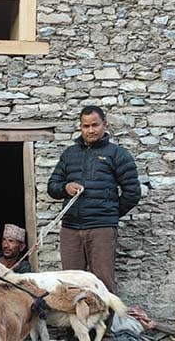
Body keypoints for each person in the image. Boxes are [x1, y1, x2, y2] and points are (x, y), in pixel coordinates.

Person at [47, 105, 141, 295]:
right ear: (80, 127)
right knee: (70, 282)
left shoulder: (118, 154)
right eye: (85, 126)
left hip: (101, 229)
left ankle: (107, 324)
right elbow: (52, 187)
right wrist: (65, 188)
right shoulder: (69, 154)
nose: (90, 130)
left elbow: (132, 193)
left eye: (95, 125)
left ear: (104, 125)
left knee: (103, 281)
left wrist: (109, 213)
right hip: (71, 228)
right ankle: (76, 325)